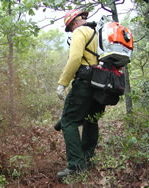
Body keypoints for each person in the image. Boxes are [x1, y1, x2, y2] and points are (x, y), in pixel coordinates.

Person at [56, 9, 106, 180]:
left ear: (75, 22)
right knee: (91, 120)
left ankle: (76, 166)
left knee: (68, 122)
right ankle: (87, 159)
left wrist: (62, 83)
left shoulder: (80, 32)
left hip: (85, 83)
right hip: (102, 85)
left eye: (70, 27)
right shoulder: (98, 33)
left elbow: (75, 58)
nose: (71, 30)